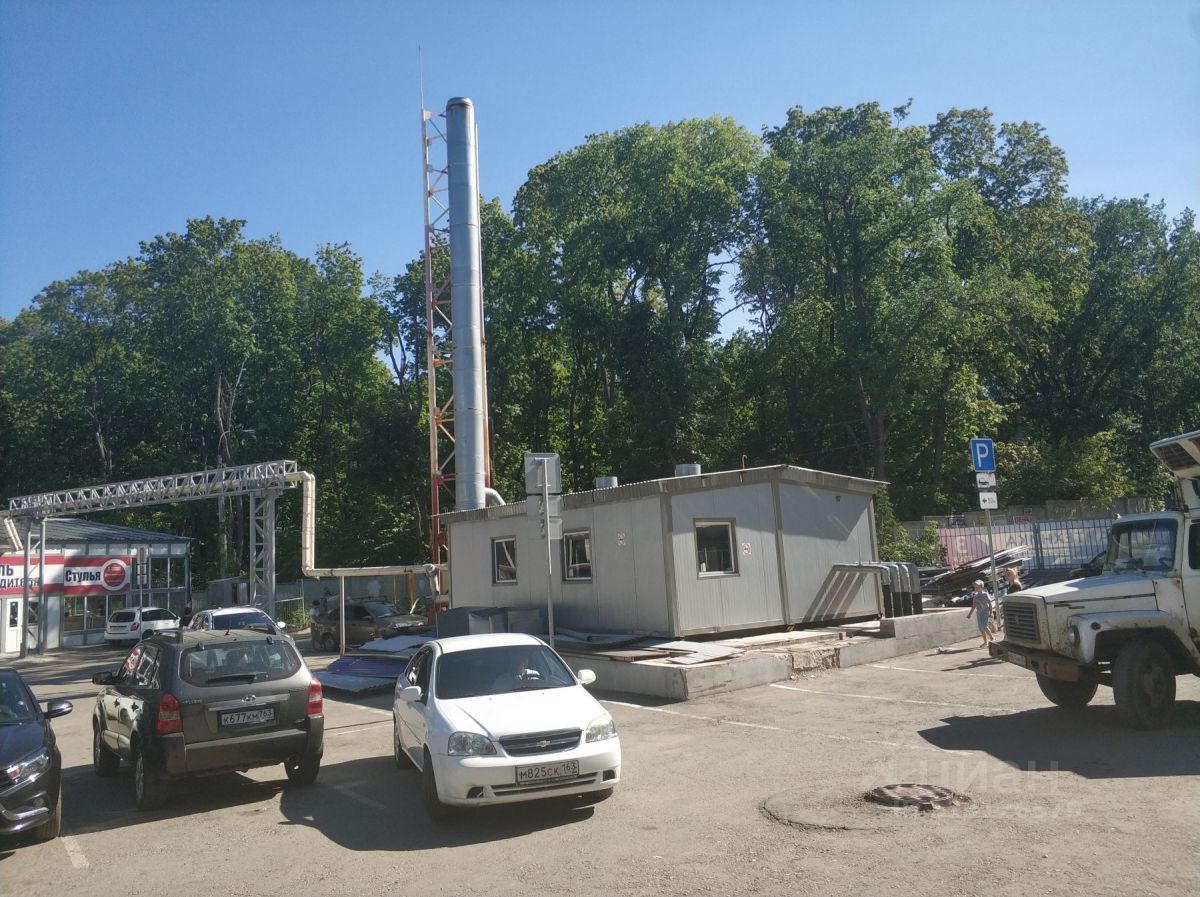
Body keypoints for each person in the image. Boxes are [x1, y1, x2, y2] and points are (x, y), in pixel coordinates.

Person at [966, 579, 995, 647]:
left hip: (985, 612)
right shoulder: (975, 596)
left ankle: (991, 638)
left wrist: (991, 612)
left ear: (982, 587)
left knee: (984, 626)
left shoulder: (985, 594)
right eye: (975, 587)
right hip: (979, 613)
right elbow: (974, 606)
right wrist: (970, 614)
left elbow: (989, 604)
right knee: (981, 628)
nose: (975, 588)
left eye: (977, 587)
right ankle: (986, 641)